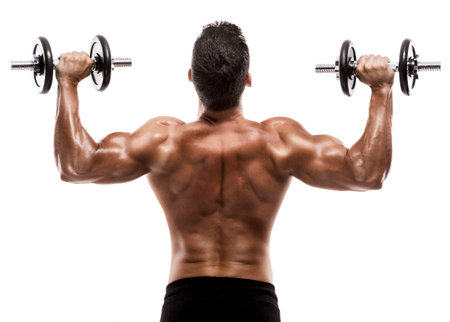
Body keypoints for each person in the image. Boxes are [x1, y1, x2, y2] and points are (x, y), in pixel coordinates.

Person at [54, 21, 393, 322]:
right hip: (254, 303)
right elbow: (366, 173)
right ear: (247, 79)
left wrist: (68, 81)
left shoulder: (163, 141)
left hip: (185, 302)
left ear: (191, 77)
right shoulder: (278, 142)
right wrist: (380, 89)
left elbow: (76, 165)